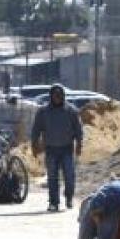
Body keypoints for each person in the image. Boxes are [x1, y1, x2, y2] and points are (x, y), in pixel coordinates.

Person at [30, 84, 83, 212]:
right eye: (55, 95)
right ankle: (54, 202)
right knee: (52, 177)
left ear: (63, 96)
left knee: (69, 176)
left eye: (60, 95)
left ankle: (69, 197)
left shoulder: (71, 111)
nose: (57, 98)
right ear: (51, 96)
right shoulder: (43, 112)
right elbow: (36, 129)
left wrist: (79, 144)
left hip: (67, 149)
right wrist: (34, 145)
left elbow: (78, 129)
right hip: (51, 149)